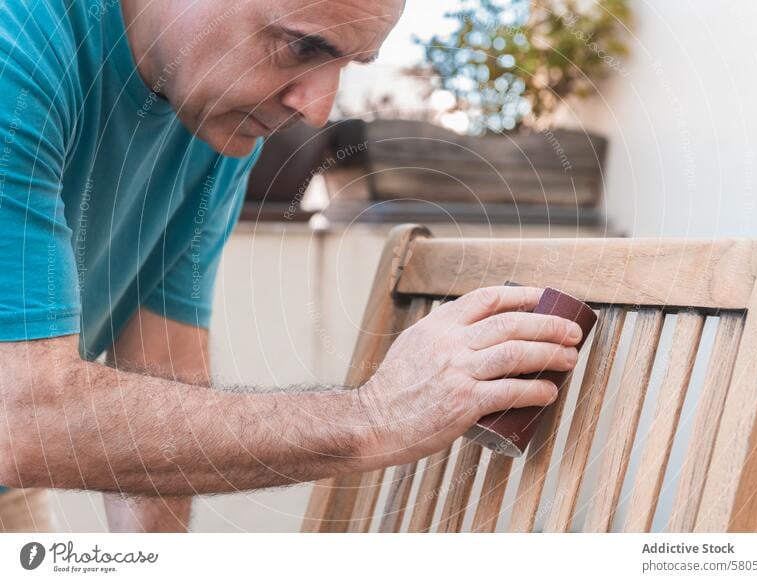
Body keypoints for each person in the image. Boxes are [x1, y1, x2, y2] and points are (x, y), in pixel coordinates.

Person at [0, 0, 582, 532]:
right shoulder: (19, 47)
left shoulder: (213, 126)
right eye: (303, 47)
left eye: (350, 63)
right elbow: (19, 416)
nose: (318, 108)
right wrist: (376, 415)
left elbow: (160, 370)